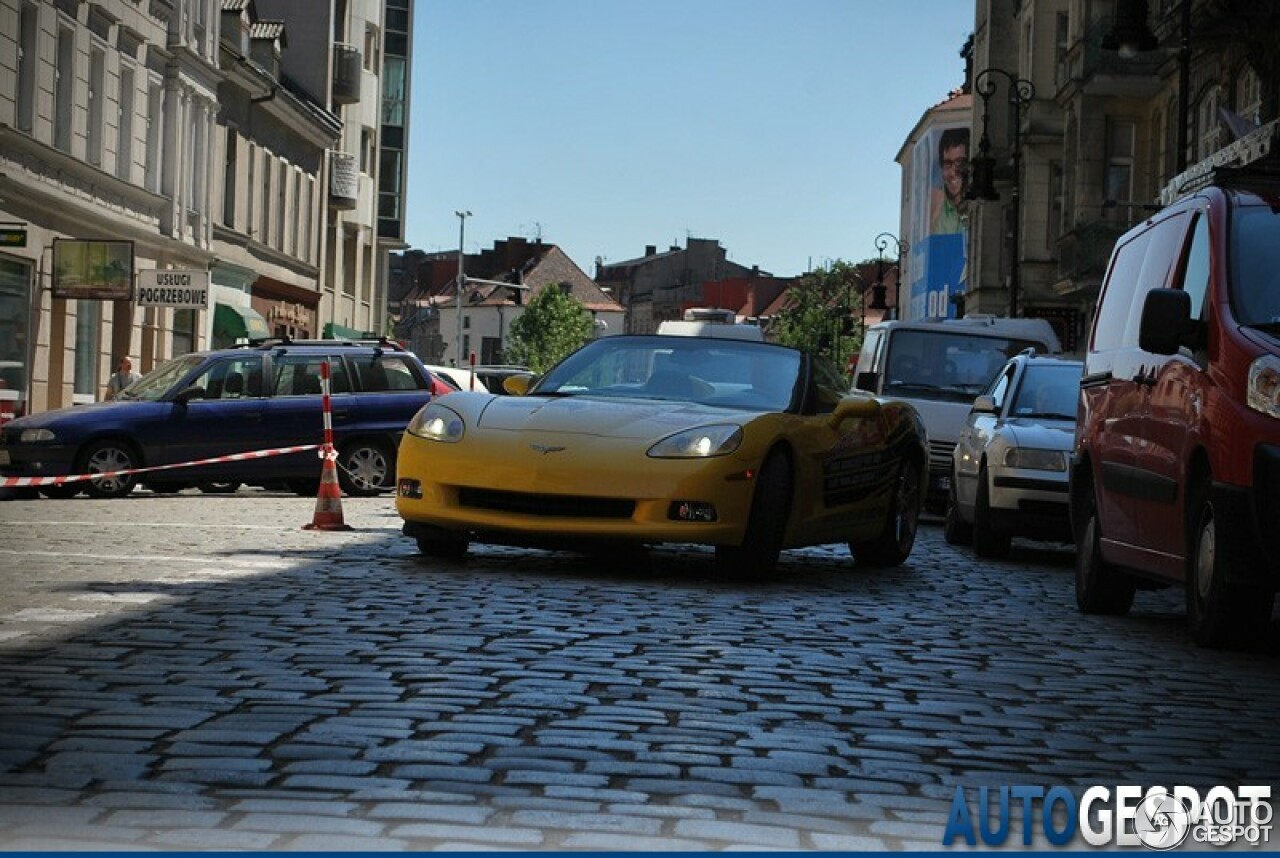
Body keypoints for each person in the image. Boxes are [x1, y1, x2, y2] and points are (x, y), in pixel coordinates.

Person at [929, 127, 970, 235]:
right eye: (947, 164)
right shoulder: (934, 205)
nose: (953, 172)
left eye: (960, 163)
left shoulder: (978, 201)